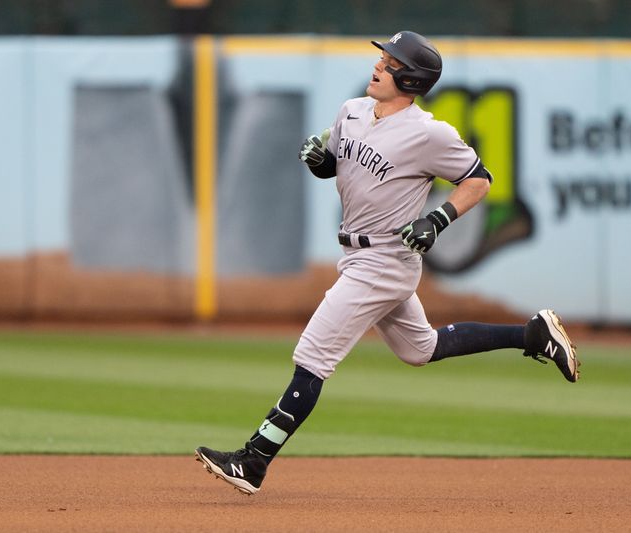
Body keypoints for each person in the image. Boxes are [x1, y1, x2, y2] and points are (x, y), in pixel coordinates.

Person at [195, 30, 580, 495]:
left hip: (385, 261)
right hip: (355, 255)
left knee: (312, 356)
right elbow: (335, 164)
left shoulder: (429, 133)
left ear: (412, 79)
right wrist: (320, 160)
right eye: (383, 56)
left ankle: (254, 461)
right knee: (421, 349)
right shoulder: (352, 110)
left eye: (391, 60)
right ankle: (532, 334)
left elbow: (479, 180)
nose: (379, 64)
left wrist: (438, 218)